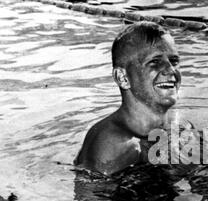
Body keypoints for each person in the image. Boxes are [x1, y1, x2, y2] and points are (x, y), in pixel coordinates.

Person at [75, 22, 181, 175]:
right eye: (155, 62)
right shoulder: (112, 145)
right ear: (123, 77)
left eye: (174, 61)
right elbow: (90, 197)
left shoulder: (176, 127)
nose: (171, 70)